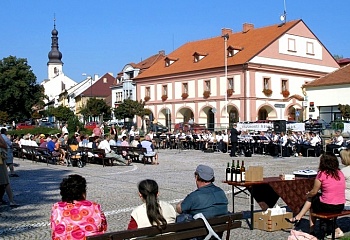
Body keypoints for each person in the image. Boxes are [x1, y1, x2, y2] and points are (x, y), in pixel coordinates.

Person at [286, 152, 345, 238]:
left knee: (311, 201)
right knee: (314, 200)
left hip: (328, 205)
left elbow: (314, 191)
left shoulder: (322, 174)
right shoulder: (339, 173)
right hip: (340, 205)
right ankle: (298, 218)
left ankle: (309, 228)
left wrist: (308, 194)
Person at [51, 174, 107, 239]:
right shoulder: (95, 207)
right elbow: (103, 228)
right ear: (83, 192)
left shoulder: (56, 207)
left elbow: (54, 231)